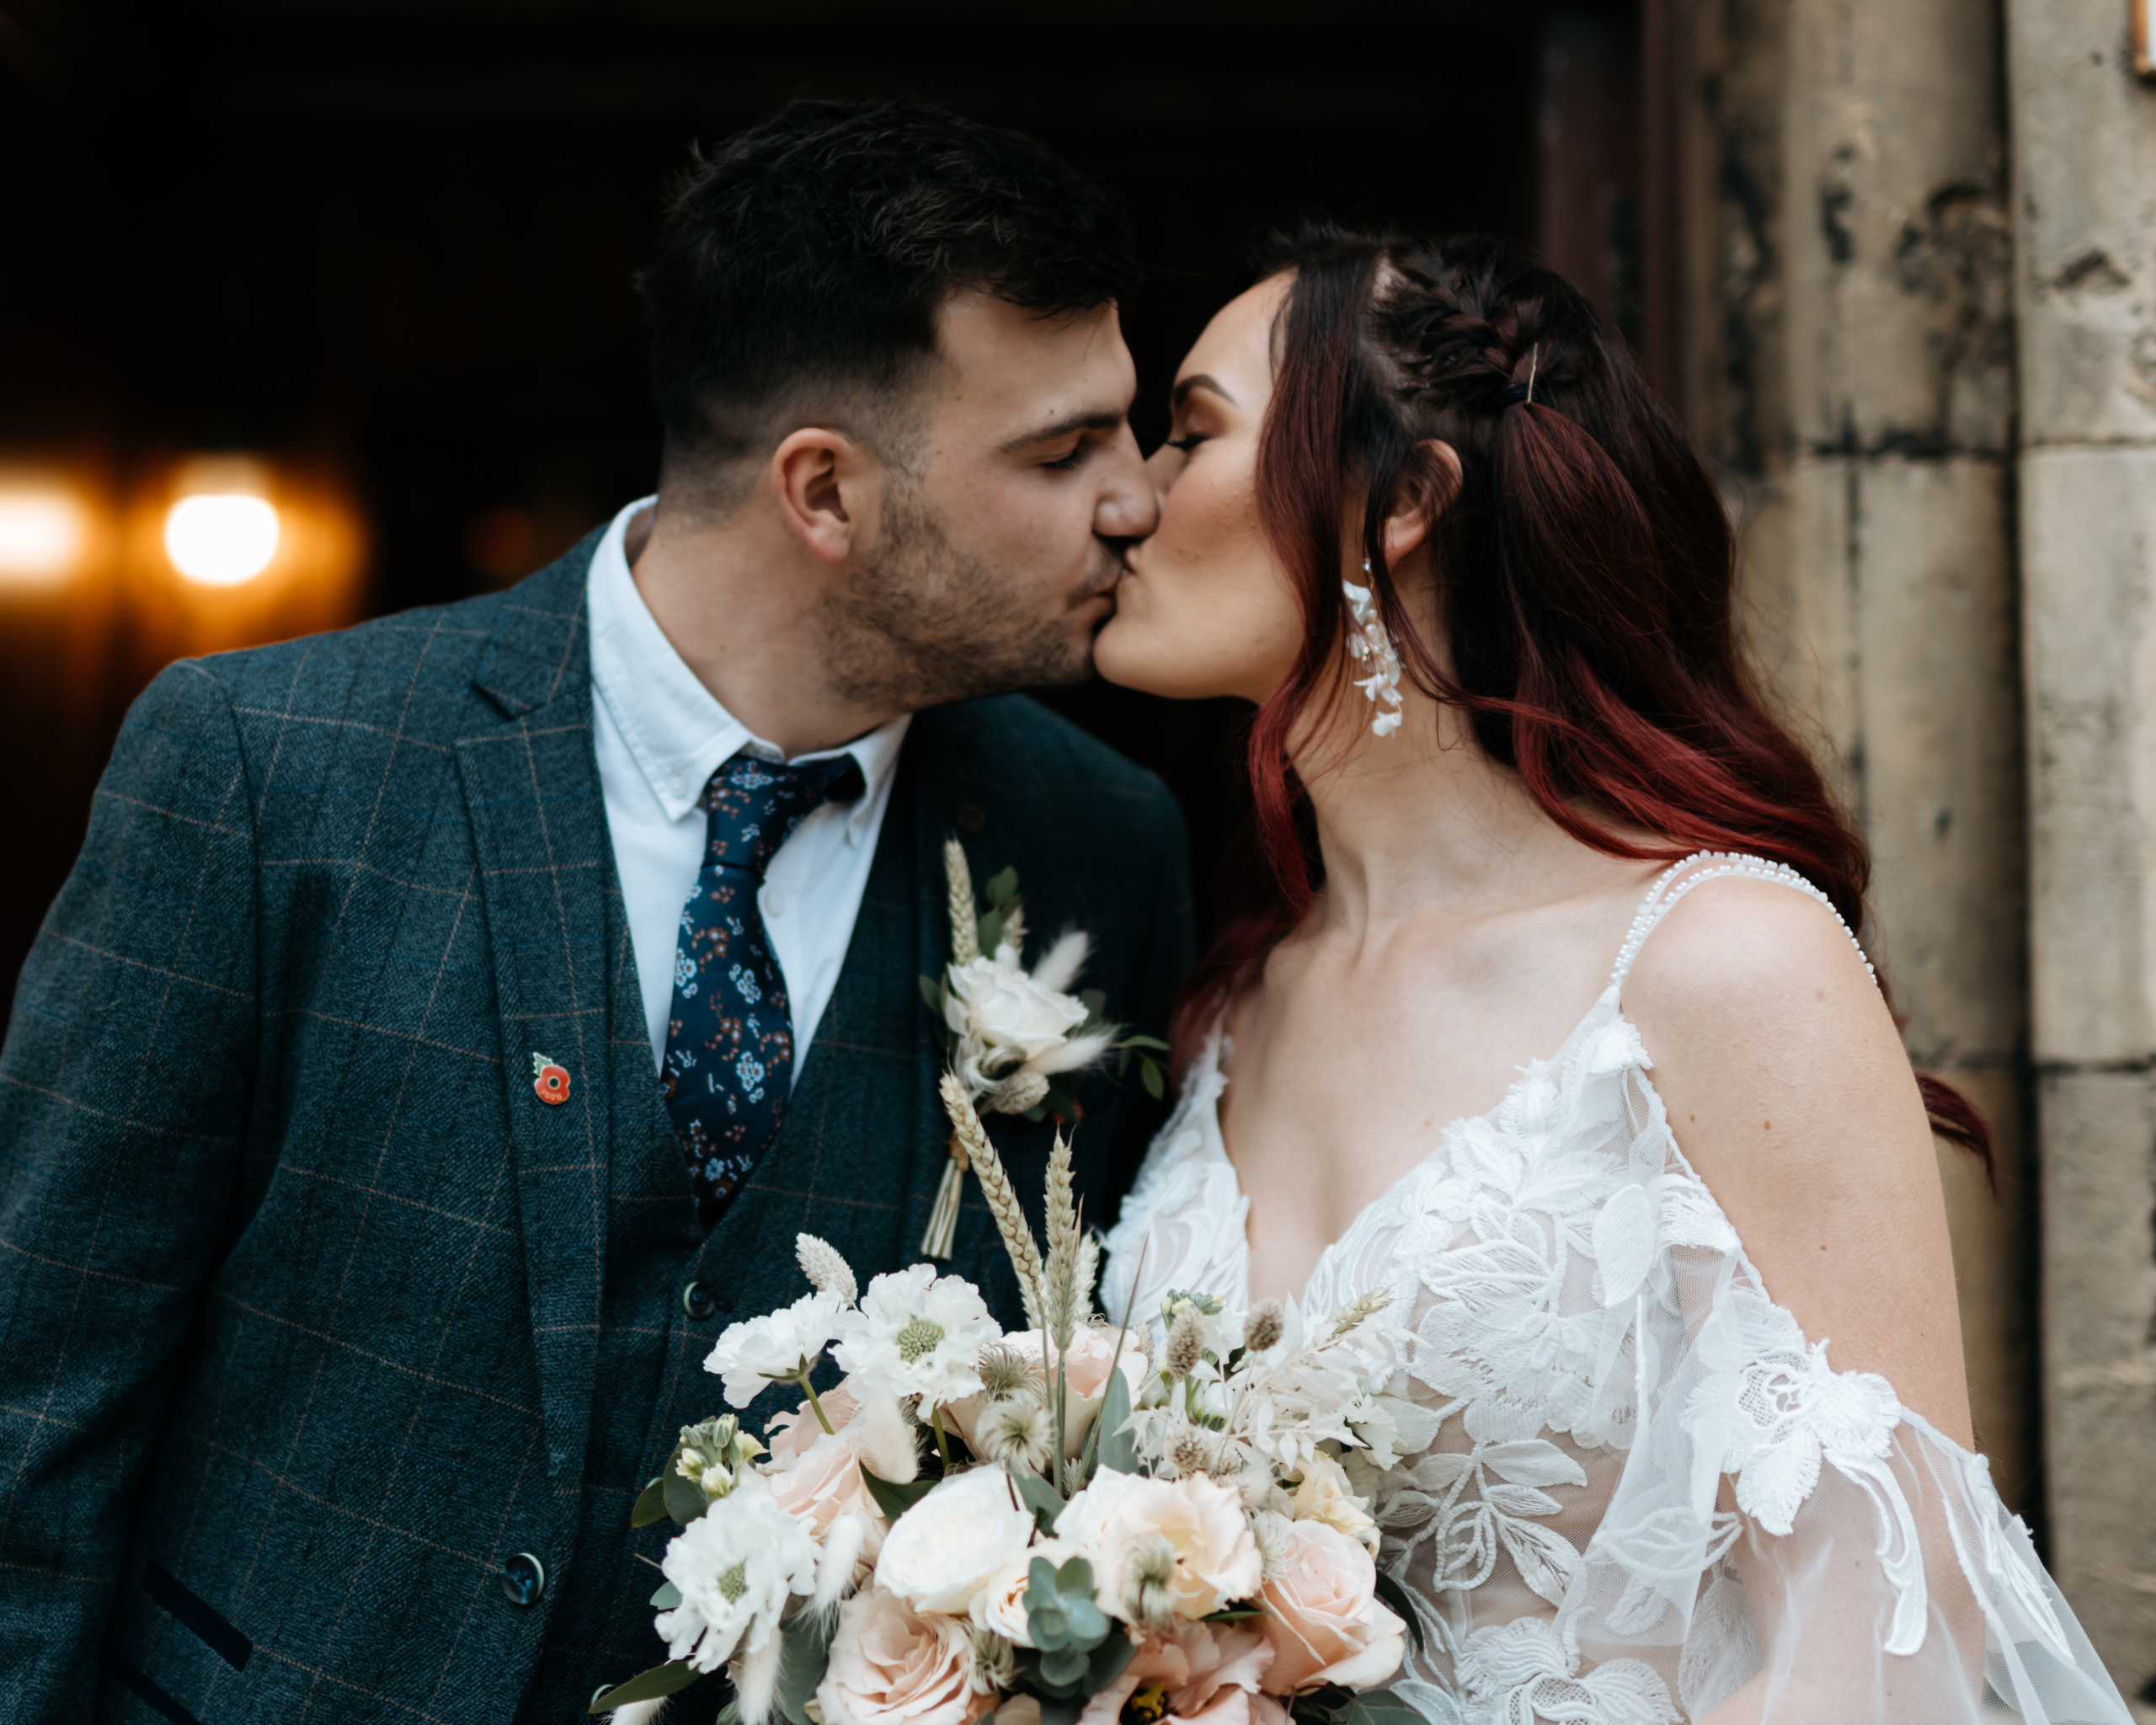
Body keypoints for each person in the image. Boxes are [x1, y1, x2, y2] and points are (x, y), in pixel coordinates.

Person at [0, 100, 1191, 1724]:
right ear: (823, 492)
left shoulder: (1100, 843)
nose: (1137, 501)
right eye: (1062, 454)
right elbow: (35, 1391)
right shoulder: (269, 769)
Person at [1095, 228, 2130, 1722]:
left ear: (1398, 503)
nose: (1126, 496)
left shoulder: (1721, 958)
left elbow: (1890, 1629)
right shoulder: (1233, 1010)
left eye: (1191, 433)